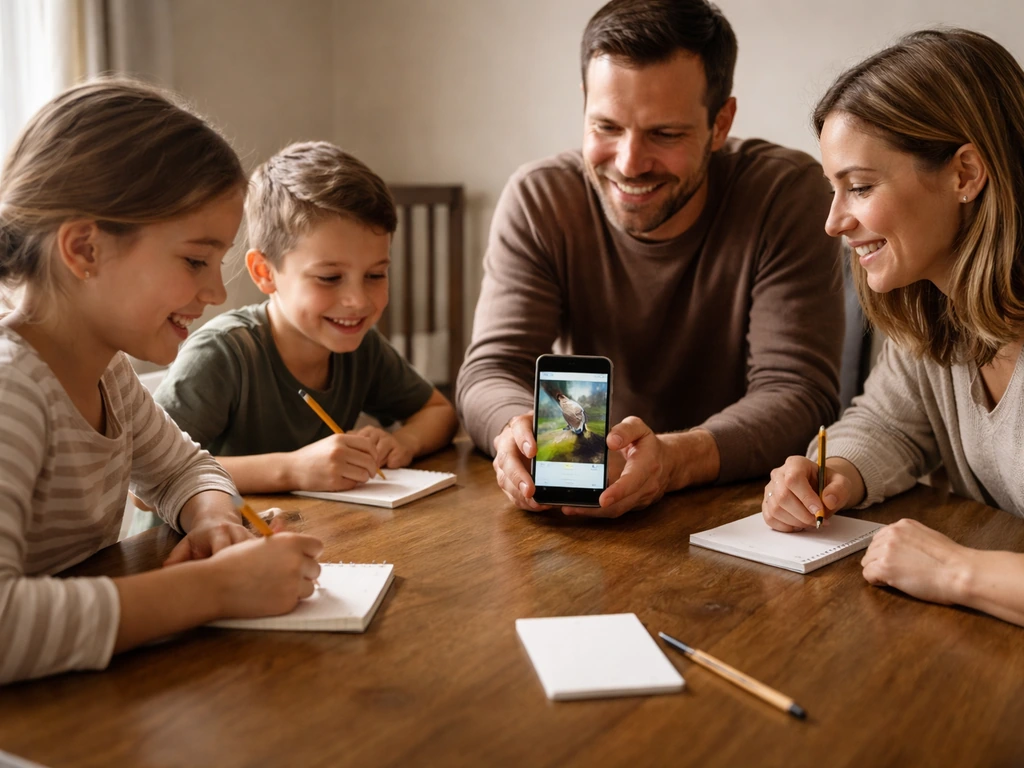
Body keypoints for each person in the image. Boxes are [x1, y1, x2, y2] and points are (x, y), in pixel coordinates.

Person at [457, 0, 844, 517]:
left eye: (665, 134)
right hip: (575, 503)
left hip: (746, 508)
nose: (629, 163)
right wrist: (516, 433)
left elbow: (798, 393)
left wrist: (675, 460)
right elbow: (489, 370)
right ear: (584, 104)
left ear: (721, 122)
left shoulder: (785, 194)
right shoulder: (540, 199)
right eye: (607, 127)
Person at [0, 79, 323, 684]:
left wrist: (212, 518)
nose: (216, 294)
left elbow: (183, 470)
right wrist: (213, 590)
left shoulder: (109, 372)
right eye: (195, 260)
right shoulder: (11, 390)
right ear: (84, 249)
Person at [762, 29, 1024, 627]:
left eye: (859, 187)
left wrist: (956, 572)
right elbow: (888, 423)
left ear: (965, 174)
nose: (833, 223)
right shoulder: (934, 306)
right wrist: (833, 476)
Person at [155, 141, 458, 494]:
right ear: (265, 272)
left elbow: (440, 412)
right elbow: (150, 475)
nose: (358, 300)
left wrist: (404, 442)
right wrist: (291, 470)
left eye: (376, 275)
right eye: (329, 277)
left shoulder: (363, 348)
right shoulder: (222, 354)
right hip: (189, 547)